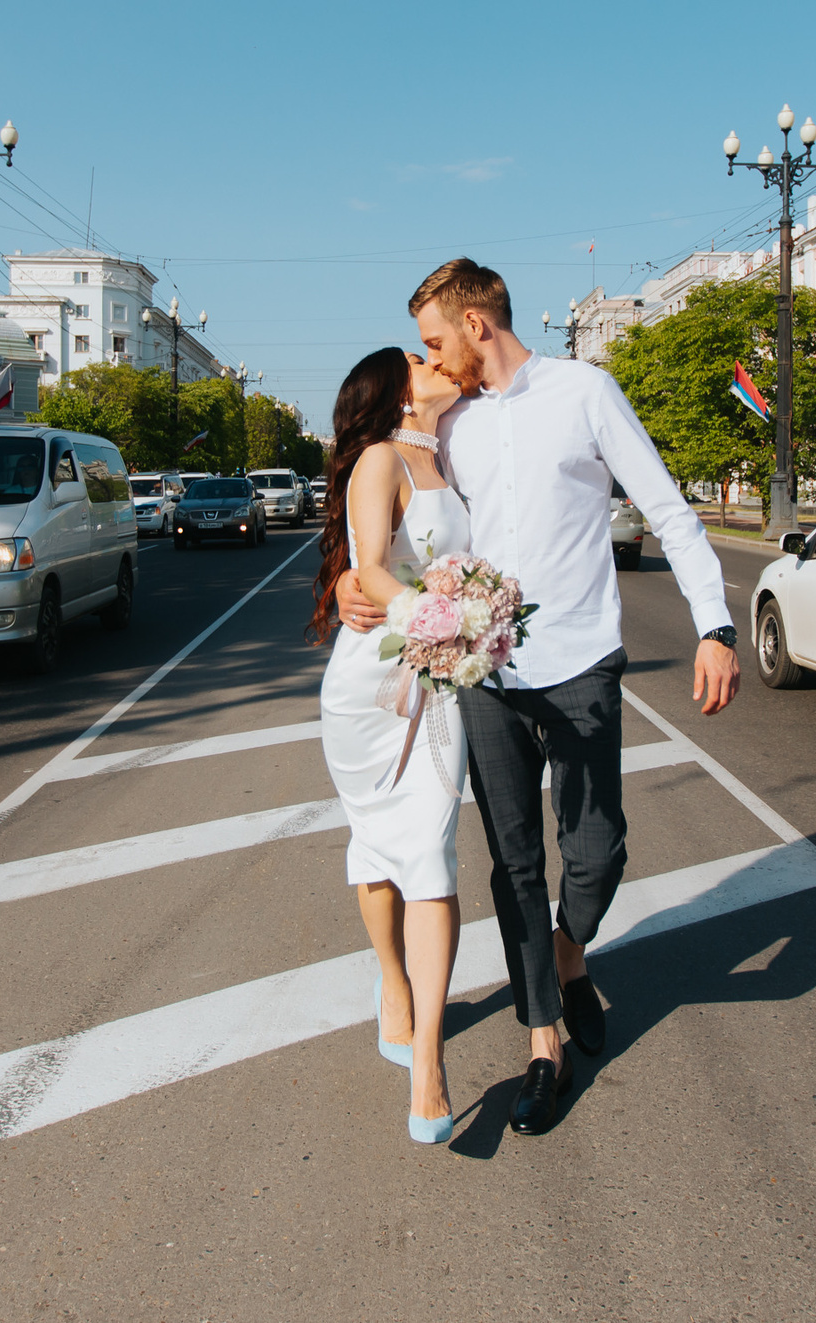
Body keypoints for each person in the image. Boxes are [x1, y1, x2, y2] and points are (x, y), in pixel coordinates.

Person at [338, 258, 739, 1137]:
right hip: (488, 677)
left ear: (477, 324)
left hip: (584, 659)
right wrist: (346, 584)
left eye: (437, 340)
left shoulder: (586, 391)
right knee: (513, 860)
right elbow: (401, 521)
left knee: (597, 852)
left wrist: (715, 625)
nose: (432, 360)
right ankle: (543, 1042)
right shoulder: (454, 426)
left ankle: (567, 956)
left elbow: (668, 510)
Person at [311, 346, 471, 1146]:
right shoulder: (380, 457)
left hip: (442, 680)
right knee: (379, 848)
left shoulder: (458, 449)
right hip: (373, 686)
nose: (437, 358)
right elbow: (370, 569)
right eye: (420, 354)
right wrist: (443, 620)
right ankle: (392, 982)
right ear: (397, 390)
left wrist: (480, 619)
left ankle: (430, 1063)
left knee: (434, 855)